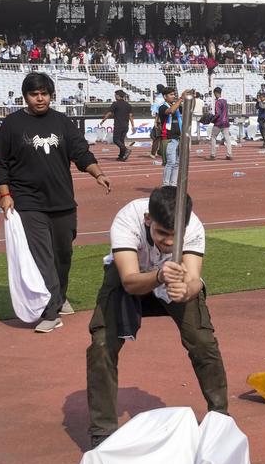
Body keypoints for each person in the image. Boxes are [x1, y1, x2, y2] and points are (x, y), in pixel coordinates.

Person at [85, 186, 227, 447]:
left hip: (174, 277)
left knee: (203, 340)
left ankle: (221, 418)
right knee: (102, 343)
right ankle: (102, 434)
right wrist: (160, 275)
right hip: (134, 277)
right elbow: (129, 281)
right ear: (148, 220)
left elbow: (194, 280)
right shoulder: (128, 219)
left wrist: (186, 290)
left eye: (176, 236)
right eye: (162, 233)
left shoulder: (193, 226)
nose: (170, 242)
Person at [0, 71, 112, 333]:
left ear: (50, 95)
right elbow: (0, 165)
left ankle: (59, 296)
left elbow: (80, 151)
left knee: (63, 256)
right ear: (26, 96)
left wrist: (97, 173)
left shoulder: (62, 122)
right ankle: (50, 312)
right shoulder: (12, 125)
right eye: (34, 94)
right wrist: (4, 195)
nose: (39, 98)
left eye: (44, 94)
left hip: (62, 201)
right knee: (42, 258)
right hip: (28, 202)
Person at [155, 86, 188, 187]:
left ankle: (173, 185)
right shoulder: (162, 107)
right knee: (170, 162)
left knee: (177, 163)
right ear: (165, 97)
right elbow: (171, 111)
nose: (173, 96)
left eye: (174, 94)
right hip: (169, 138)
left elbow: (188, 109)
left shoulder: (176, 105)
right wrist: (181, 98)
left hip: (179, 137)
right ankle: (165, 185)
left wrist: (190, 98)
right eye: (171, 95)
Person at [99, 89, 135, 161]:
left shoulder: (115, 104)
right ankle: (121, 156)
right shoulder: (128, 105)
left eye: (115, 95)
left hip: (118, 125)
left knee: (115, 140)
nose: (114, 96)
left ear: (118, 96)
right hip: (125, 125)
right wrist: (133, 126)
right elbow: (130, 116)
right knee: (121, 141)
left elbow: (109, 113)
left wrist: (103, 121)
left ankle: (126, 150)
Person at [208, 86, 233, 160]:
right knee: (227, 138)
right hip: (226, 122)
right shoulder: (225, 101)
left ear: (216, 93)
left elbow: (218, 113)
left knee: (213, 137)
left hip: (219, 123)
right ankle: (229, 154)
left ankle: (213, 154)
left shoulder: (218, 102)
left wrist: (212, 119)